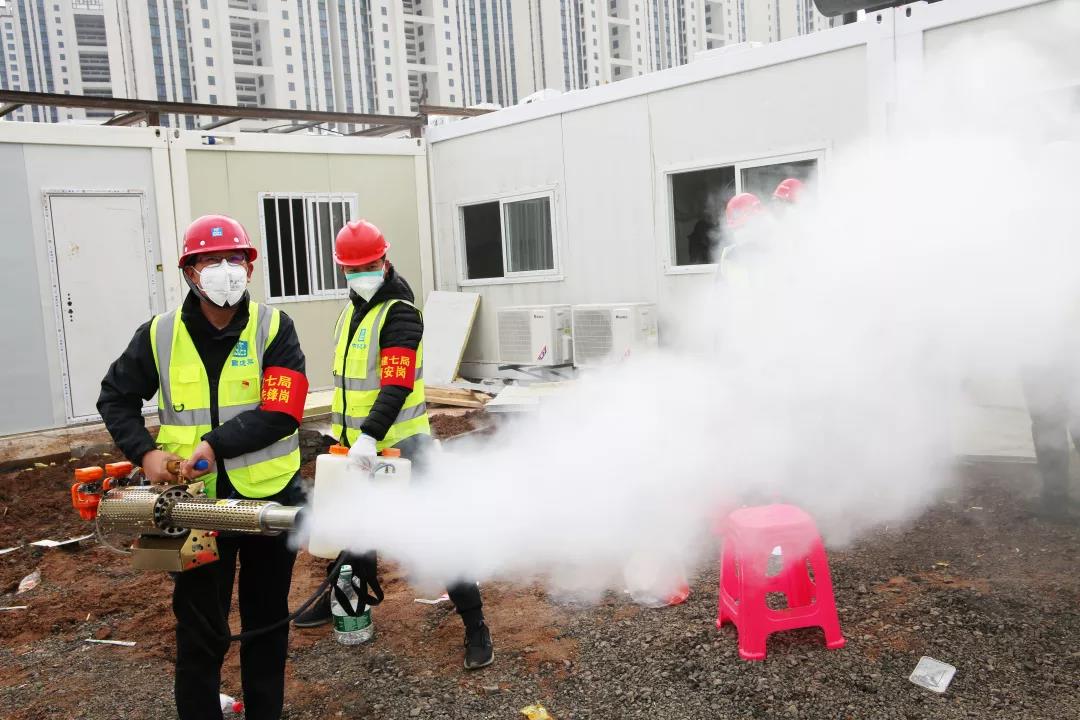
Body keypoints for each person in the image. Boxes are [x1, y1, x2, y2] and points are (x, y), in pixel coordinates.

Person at [97, 214, 308, 720]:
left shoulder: (275, 327)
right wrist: (146, 455)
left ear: (250, 268)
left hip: (269, 499)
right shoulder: (159, 335)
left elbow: (282, 412)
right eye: (211, 260)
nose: (225, 269)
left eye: (234, 258)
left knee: (266, 624)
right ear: (190, 271)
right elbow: (116, 397)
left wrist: (212, 446)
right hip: (191, 507)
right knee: (198, 630)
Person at [293, 218, 495, 670]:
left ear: (385, 261)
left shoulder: (400, 312)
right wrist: (350, 437)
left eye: (367, 264)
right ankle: (343, 598)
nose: (359, 274)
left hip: (404, 446)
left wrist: (369, 436)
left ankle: (475, 625)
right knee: (351, 531)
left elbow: (396, 384)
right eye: (350, 268)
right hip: (354, 447)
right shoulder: (352, 310)